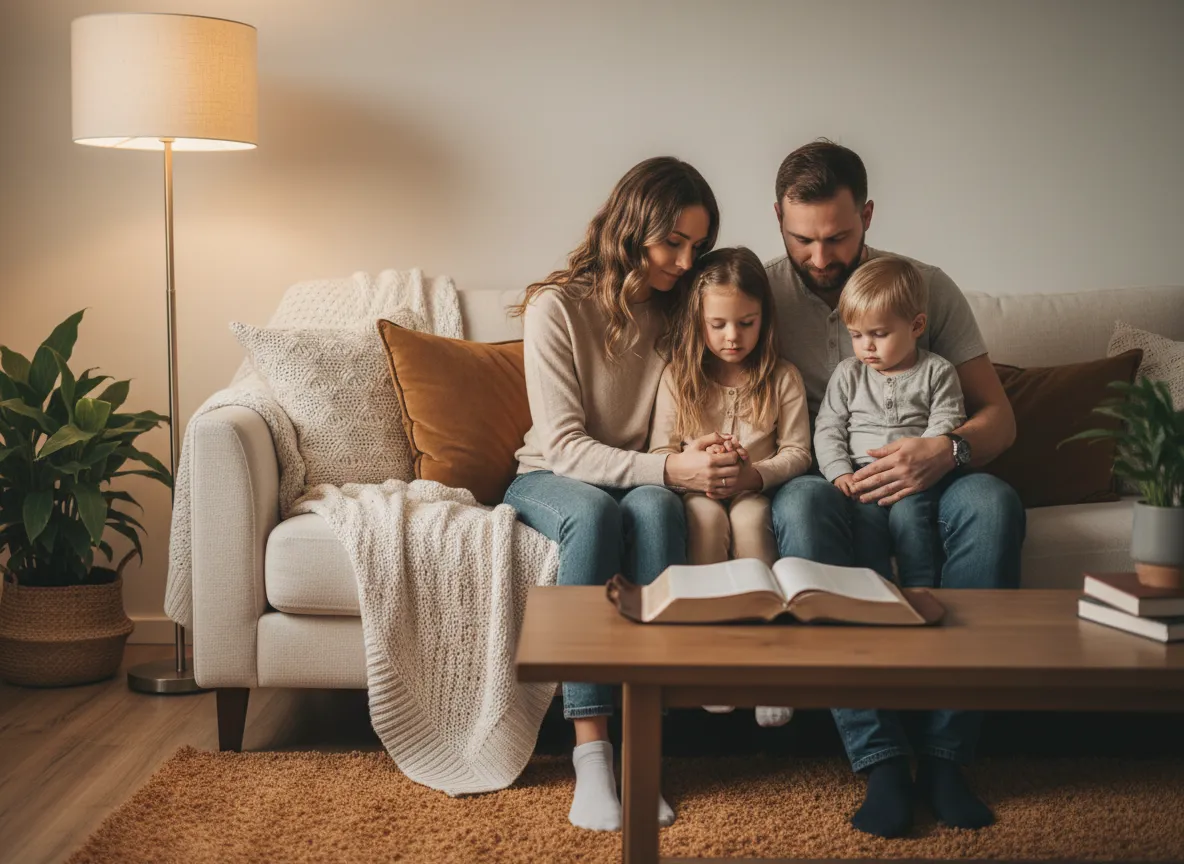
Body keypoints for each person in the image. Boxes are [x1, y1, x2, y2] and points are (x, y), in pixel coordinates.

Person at [765, 140, 1026, 838]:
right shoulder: (757, 292)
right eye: (802, 239)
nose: (820, 258)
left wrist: (946, 450)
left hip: (938, 476)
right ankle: (880, 756)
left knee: (995, 504)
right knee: (797, 505)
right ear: (778, 221)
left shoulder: (924, 288)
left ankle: (945, 756)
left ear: (868, 215)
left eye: (838, 238)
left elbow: (998, 418)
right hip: (830, 479)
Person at [504, 156, 741, 832]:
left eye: (696, 246)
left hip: (641, 471)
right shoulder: (556, 307)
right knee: (594, 512)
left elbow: (673, 429)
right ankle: (592, 755)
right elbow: (567, 448)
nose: (684, 259)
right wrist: (670, 469)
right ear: (632, 228)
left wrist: (695, 457)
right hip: (549, 475)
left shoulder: (678, 312)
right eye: (673, 242)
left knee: (661, 509)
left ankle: (646, 750)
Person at [648, 246, 811, 727]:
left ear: (765, 319)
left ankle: (768, 665)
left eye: (746, 322)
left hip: (755, 490)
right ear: (696, 321)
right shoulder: (679, 377)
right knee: (702, 521)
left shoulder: (782, 377)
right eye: (717, 324)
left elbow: (799, 451)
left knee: (751, 520)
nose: (732, 336)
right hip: (695, 492)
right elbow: (659, 453)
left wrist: (754, 475)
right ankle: (712, 662)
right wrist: (692, 457)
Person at [814, 255, 966, 587]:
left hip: (913, 481)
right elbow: (828, 426)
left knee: (911, 520)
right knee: (864, 526)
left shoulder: (936, 371)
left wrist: (922, 452)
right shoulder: (848, 374)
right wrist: (838, 470)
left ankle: (921, 589)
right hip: (861, 480)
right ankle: (878, 594)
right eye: (855, 335)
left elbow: (948, 418)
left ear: (916, 326)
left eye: (879, 334)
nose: (866, 346)